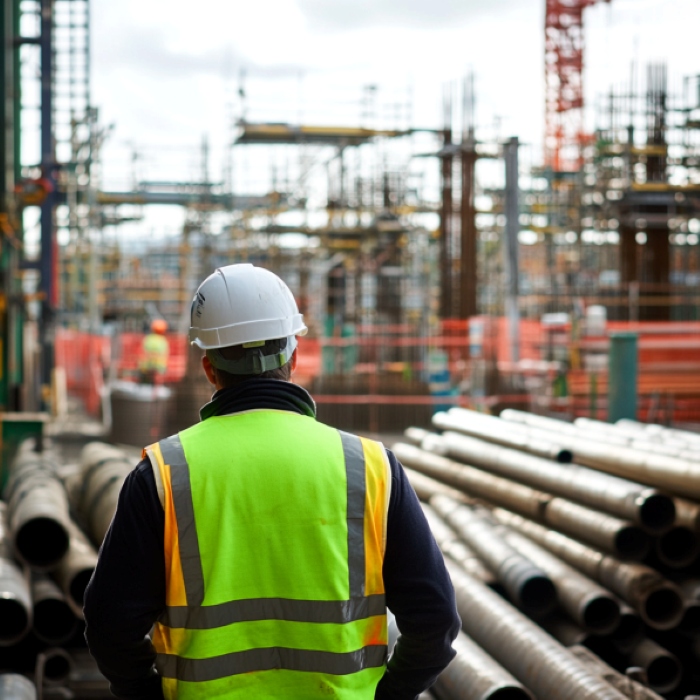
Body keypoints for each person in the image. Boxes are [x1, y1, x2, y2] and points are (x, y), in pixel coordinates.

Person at [84, 263, 460, 699]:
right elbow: (436, 622)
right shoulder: (371, 467)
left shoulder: (165, 474)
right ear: (294, 357)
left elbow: (110, 625)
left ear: (209, 368)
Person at [139, 319, 170, 384]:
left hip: (147, 366)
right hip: (159, 366)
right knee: (158, 377)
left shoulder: (148, 338)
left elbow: (144, 351)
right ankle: (156, 388)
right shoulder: (163, 340)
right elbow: (164, 354)